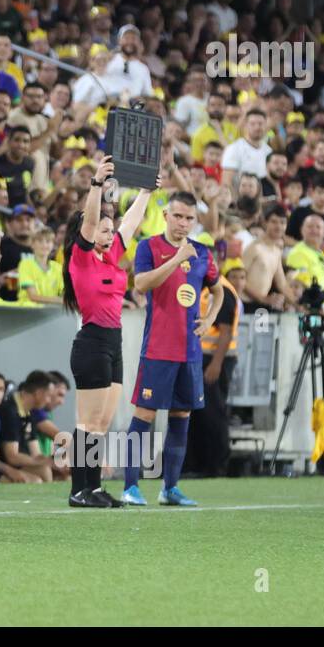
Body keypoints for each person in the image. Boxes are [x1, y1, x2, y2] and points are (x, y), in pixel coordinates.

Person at [122, 191, 227, 507]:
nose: (183, 223)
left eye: (189, 218)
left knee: (181, 415)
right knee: (144, 414)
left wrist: (209, 319)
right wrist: (176, 259)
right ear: (166, 215)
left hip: (190, 351)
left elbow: (219, 292)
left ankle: (170, 488)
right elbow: (141, 285)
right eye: (178, 216)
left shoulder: (203, 254)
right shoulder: (149, 247)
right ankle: (130, 487)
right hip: (157, 348)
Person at [61, 155, 153, 507]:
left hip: (113, 341)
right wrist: (97, 184)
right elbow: (89, 222)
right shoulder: (80, 257)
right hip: (92, 342)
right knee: (87, 420)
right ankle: (78, 491)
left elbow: (129, 223)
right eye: (103, 228)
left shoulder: (112, 255)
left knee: (103, 420)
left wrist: (145, 193)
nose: (110, 232)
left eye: (110, 229)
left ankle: (95, 487)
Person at [187, 258, 243, 478]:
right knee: (198, 413)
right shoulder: (205, 287)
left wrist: (216, 365)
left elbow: (226, 331)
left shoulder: (222, 291)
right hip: (202, 357)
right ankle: (199, 464)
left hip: (215, 359)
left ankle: (216, 464)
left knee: (213, 413)